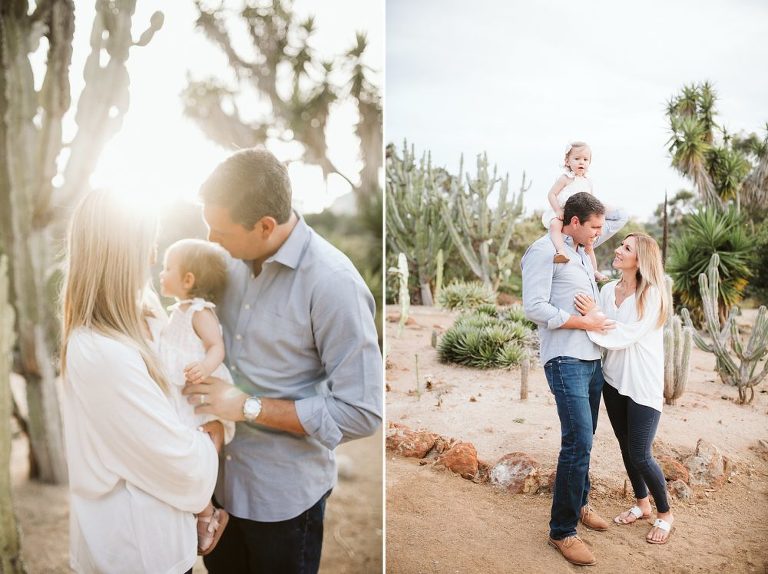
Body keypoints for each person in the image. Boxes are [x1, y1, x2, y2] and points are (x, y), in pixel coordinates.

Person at [181, 147, 383, 573]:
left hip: (285, 503)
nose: (212, 241)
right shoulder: (225, 265)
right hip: (217, 489)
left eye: (220, 230)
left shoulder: (333, 283)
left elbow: (363, 411)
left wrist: (246, 407)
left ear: (265, 225)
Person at [60, 190, 219, 573]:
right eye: (147, 246)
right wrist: (212, 433)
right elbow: (180, 465)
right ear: (120, 255)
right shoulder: (101, 351)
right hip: (136, 552)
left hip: (154, 542)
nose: (152, 258)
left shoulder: (143, 321)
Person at [522, 191, 628, 567]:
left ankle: (580, 503)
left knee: (586, 439)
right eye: (595, 226)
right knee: (578, 441)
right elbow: (533, 306)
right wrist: (586, 320)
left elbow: (623, 213)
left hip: (591, 359)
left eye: (602, 226)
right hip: (564, 358)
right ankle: (562, 531)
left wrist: (588, 185)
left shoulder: (583, 251)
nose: (601, 233)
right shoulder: (544, 250)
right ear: (575, 221)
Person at [574, 233, 674, 545]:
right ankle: (642, 505)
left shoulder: (652, 294)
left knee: (641, 454)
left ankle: (665, 514)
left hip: (642, 383)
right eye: (622, 245)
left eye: (626, 248)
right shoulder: (606, 291)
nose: (618, 249)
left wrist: (594, 316)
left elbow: (626, 333)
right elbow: (597, 325)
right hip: (613, 380)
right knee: (625, 445)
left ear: (640, 260)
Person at [158, 238, 238, 555]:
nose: (161, 273)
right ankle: (202, 512)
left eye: (167, 268)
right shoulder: (175, 311)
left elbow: (217, 346)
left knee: (194, 460)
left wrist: (205, 367)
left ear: (188, 280)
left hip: (198, 397)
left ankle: (208, 513)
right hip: (178, 394)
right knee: (181, 456)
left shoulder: (199, 311)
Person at [542, 141, 610, 282]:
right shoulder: (565, 179)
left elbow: (591, 201)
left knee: (589, 246)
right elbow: (551, 194)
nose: (581, 162)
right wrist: (557, 210)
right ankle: (560, 251)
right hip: (563, 213)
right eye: (577, 159)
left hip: (581, 219)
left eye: (585, 159)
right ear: (567, 161)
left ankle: (594, 271)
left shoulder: (588, 182)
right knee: (555, 225)